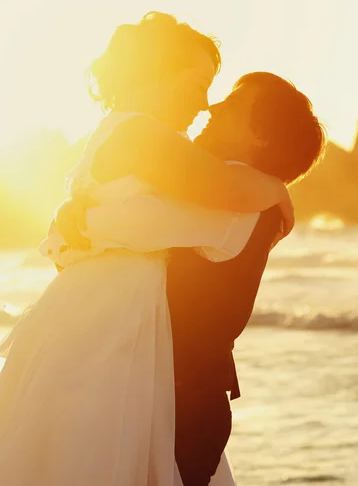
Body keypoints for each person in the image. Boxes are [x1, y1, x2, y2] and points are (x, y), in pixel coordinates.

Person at [0, 13, 300, 486]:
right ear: (153, 77)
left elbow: (137, 216)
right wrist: (275, 188)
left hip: (109, 317)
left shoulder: (138, 135)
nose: (205, 104)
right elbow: (204, 192)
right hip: (106, 320)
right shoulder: (141, 133)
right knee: (90, 448)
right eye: (196, 85)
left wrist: (78, 224)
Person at [54, 72, 327, 485]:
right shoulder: (232, 191)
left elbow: (114, 226)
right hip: (165, 398)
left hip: (176, 407)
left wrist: (72, 219)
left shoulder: (235, 202)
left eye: (234, 105)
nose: (212, 107)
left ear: (262, 138)